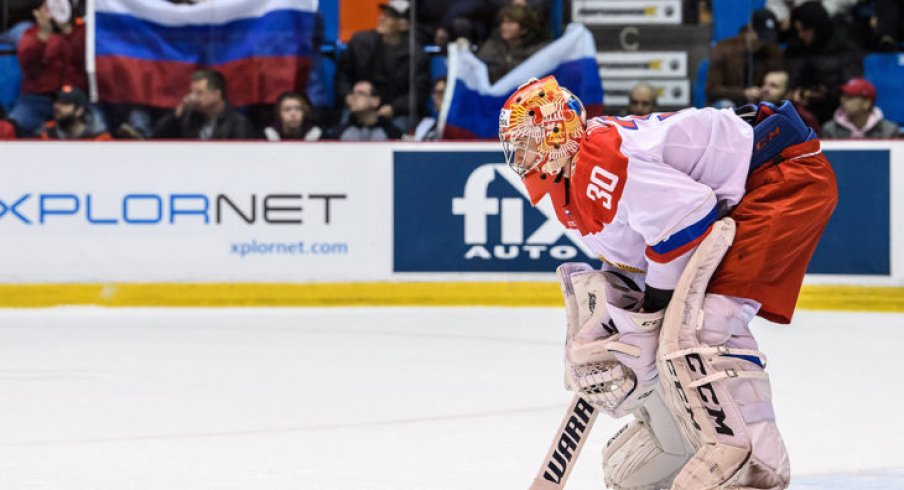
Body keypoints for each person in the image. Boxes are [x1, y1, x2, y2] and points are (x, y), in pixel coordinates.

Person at [499, 76, 837, 489]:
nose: (520, 155)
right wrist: (611, 332)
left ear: (556, 134)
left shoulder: (597, 161)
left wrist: (649, 313)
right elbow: (643, 258)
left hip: (780, 175)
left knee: (703, 327)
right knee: (669, 330)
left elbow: (688, 218)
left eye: (528, 141)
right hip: (753, 184)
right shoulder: (574, 181)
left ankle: (751, 463)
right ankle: (680, 446)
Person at [335, 0, 431, 133]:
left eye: (389, 16)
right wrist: (348, 96)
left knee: (396, 131)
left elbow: (418, 94)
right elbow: (342, 75)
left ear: (404, 25)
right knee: (344, 131)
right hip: (360, 104)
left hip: (395, 111)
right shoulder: (360, 42)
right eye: (382, 14)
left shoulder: (416, 55)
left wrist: (393, 108)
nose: (381, 18)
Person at [9, 0, 87, 135]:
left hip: (73, 99)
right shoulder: (31, 33)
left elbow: (84, 59)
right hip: (38, 98)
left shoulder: (82, 33)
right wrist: (43, 34)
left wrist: (67, 32)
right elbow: (29, 67)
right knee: (15, 125)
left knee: (100, 125)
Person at [785, 1, 863, 123]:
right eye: (798, 30)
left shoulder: (843, 48)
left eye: (805, 30)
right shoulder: (796, 49)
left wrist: (826, 92)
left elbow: (852, 86)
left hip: (836, 116)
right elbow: (792, 81)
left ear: (817, 27)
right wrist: (797, 92)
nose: (801, 35)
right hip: (800, 116)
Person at [706, 9, 784, 107]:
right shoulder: (724, 49)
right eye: (760, 37)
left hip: (759, 102)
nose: (763, 42)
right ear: (750, 30)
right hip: (731, 103)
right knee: (726, 105)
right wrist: (743, 93)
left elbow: (780, 80)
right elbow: (712, 90)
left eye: (767, 38)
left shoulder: (771, 51)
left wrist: (768, 89)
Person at [152, 70, 257, 140]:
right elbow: (158, 137)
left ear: (216, 94)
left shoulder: (238, 123)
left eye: (199, 93)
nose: (193, 97)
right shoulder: (190, 118)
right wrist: (177, 114)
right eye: (192, 92)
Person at [476, 4, 547, 83]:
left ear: (524, 29)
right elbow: (479, 67)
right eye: (503, 22)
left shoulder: (538, 49)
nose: (504, 27)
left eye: (510, 23)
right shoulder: (492, 44)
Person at [823, 78, 900, 139]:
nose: (843, 100)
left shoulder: (889, 131)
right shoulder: (830, 130)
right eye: (843, 96)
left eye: (850, 97)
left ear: (866, 103)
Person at [759, 69, 822, 135]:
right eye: (764, 84)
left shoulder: (803, 119)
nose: (765, 89)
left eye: (773, 86)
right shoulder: (754, 112)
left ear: (788, 93)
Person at [337, 80, 403, 141]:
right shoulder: (340, 132)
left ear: (375, 101)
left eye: (361, 93)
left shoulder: (392, 133)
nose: (354, 97)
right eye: (352, 93)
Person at [38, 85, 111, 140]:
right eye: (56, 102)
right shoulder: (48, 133)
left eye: (65, 104)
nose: (56, 106)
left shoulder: (100, 138)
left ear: (79, 111)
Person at [413, 77, 446, 141]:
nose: (436, 97)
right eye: (435, 92)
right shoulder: (425, 125)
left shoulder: (461, 129)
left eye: (441, 93)